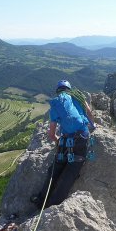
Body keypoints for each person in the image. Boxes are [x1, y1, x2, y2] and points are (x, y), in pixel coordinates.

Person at [31, 80, 95, 210]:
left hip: (65, 141)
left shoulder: (55, 105)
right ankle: (52, 206)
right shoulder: (78, 97)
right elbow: (89, 112)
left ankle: (40, 200)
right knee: (70, 173)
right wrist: (93, 125)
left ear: (58, 91)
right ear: (69, 89)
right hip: (81, 137)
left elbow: (52, 134)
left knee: (56, 168)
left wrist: (58, 141)